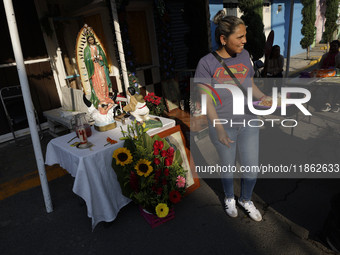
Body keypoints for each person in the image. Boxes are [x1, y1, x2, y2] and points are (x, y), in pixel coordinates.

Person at [194, 10, 271, 222]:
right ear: (223, 39)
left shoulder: (245, 56)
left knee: (251, 167)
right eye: (240, 37)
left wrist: (264, 97)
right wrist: (218, 128)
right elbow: (206, 99)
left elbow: (249, 84)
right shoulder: (206, 63)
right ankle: (229, 197)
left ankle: (246, 199)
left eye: (245, 35)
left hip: (247, 118)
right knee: (227, 165)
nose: (245, 41)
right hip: (223, 122)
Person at [84, 34, 114, 115]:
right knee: (97, 83)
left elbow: (104, 57)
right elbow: (87, 60)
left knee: (103, 81)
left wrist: (100, 57)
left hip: (100, 67)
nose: (91, 41)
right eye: (89, 40)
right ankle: (100, 98)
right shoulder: (87, 49)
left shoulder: (98, 47)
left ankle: (105, 97)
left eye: (92, 39)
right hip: (94, 69)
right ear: (88, 41)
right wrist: (93, 58)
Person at [318, 40, 340, 112]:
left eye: (335, 46)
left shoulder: (339, 55)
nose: (333, 47)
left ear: (338, 47)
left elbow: (337, 67)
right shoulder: (325, 55)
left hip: (334, 75)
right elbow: (320, 65)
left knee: (334, 84)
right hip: (322, 74)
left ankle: (331, 104)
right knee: (311, 81)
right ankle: (304, 96)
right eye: (332, 46)